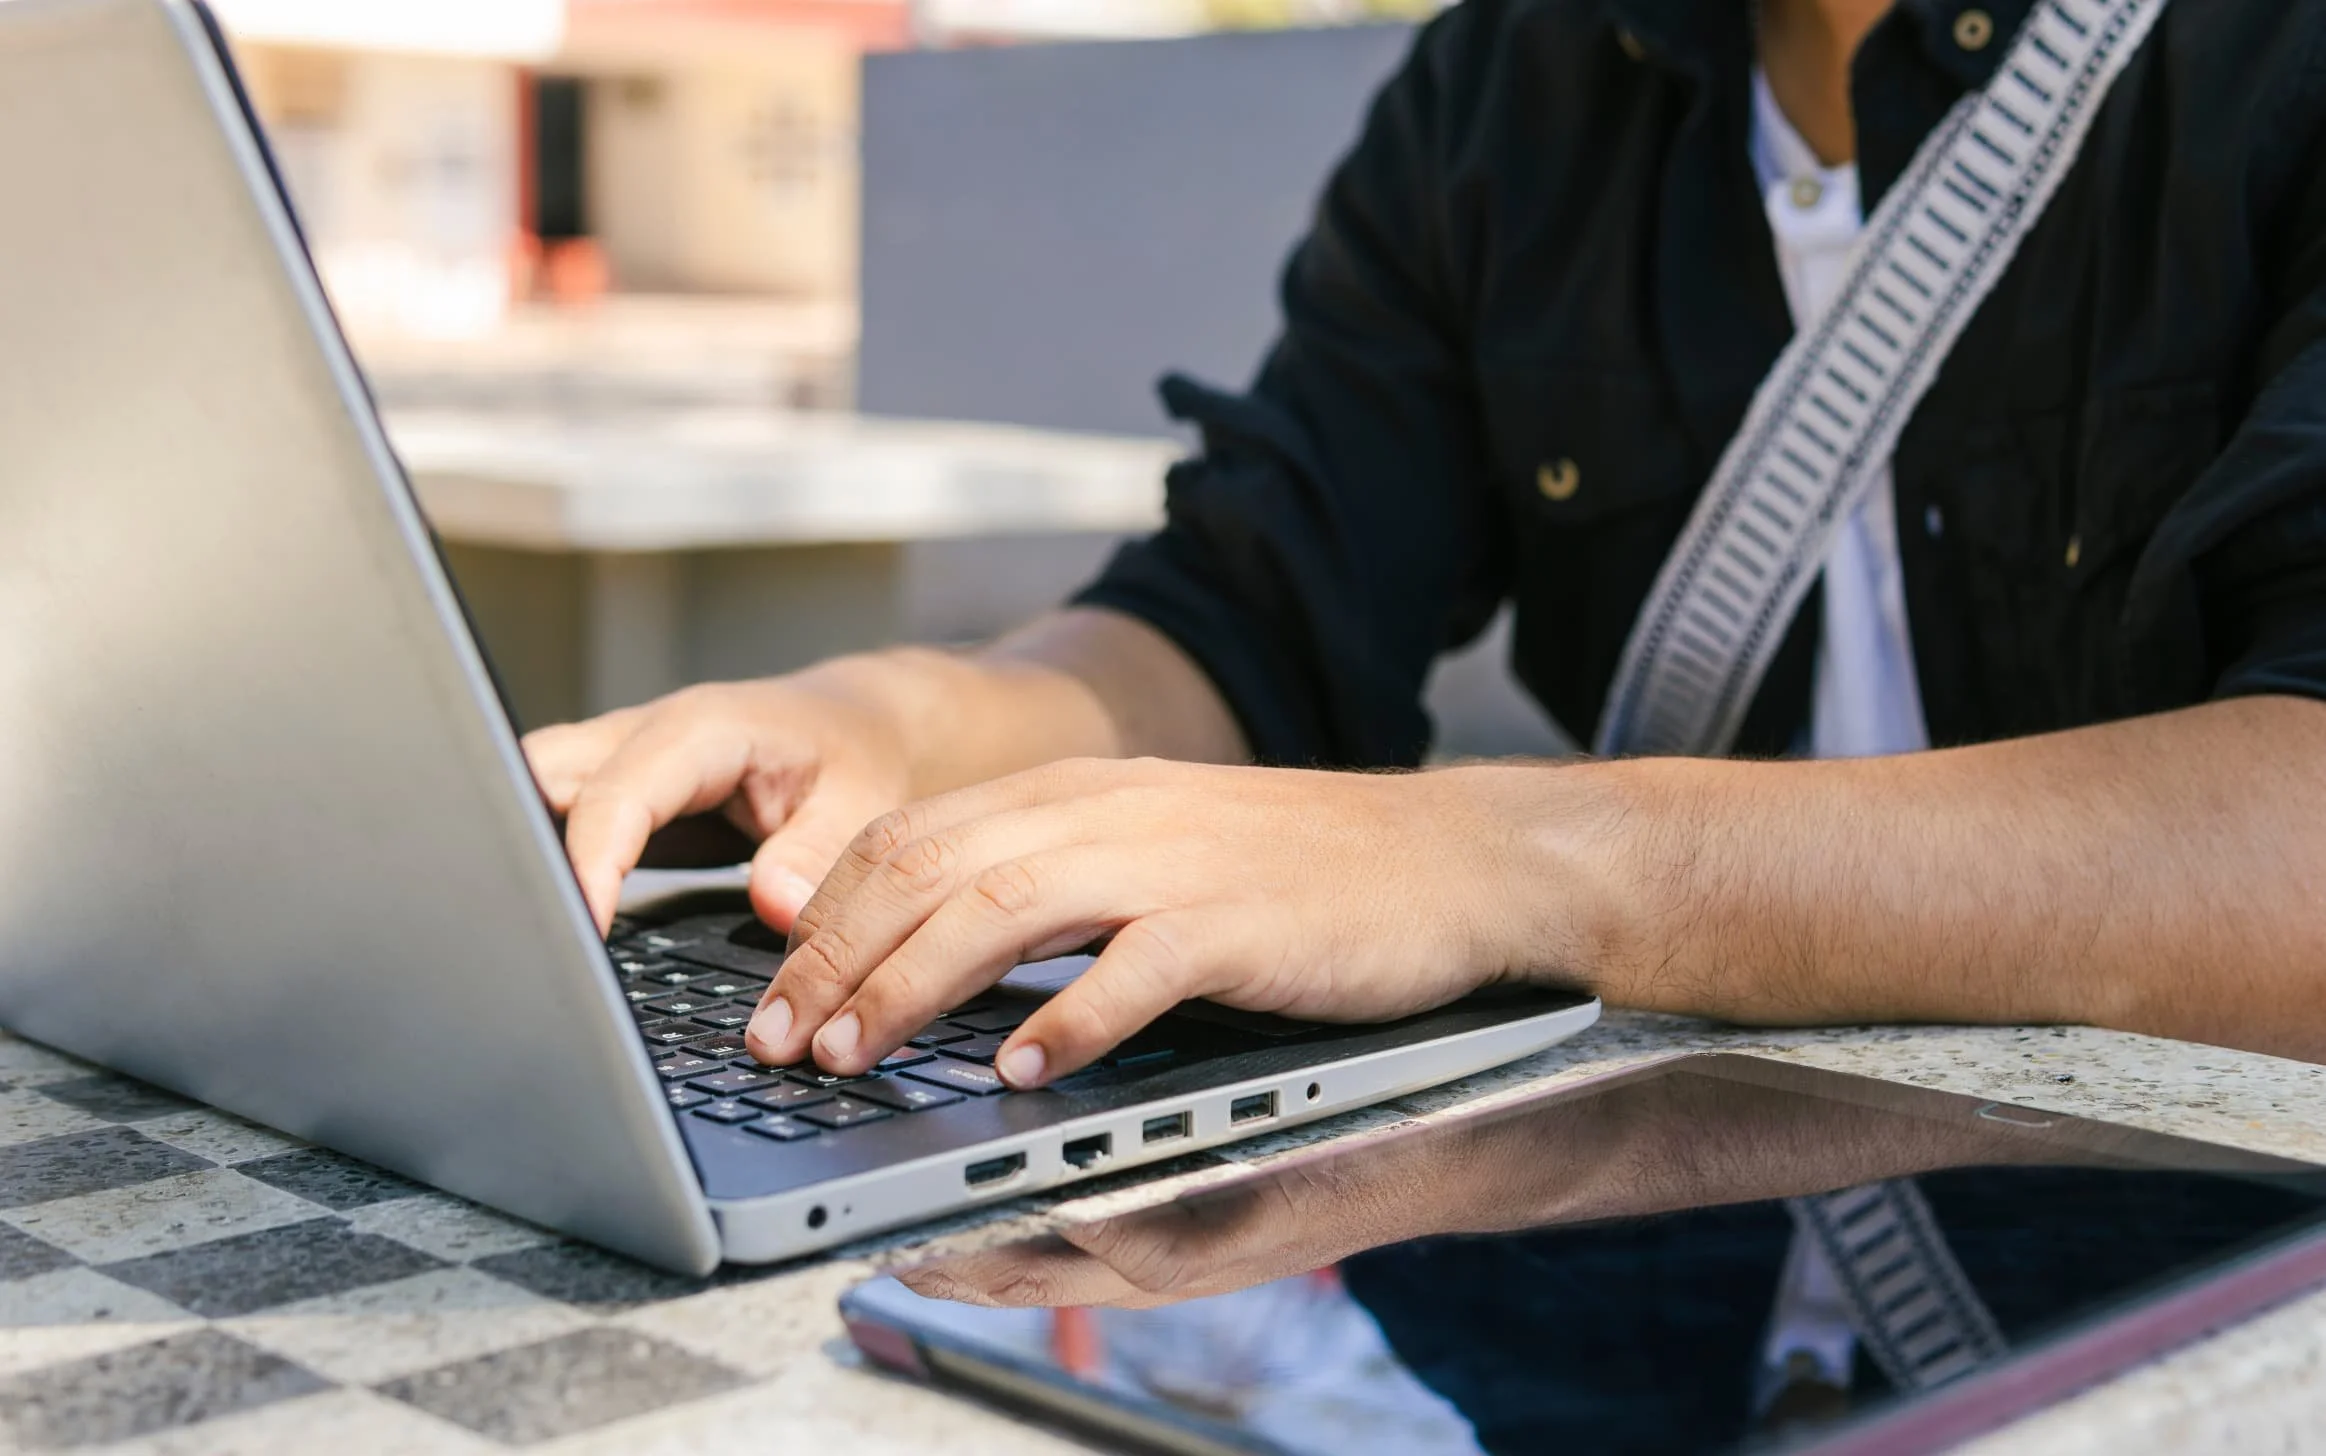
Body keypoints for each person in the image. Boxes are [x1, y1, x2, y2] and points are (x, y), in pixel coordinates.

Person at [524, 0, 2326, 1097]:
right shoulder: (1515, 87)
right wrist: (904, 727)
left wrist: (1510, 854)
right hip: (1657, 1257)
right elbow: (1246, 612)